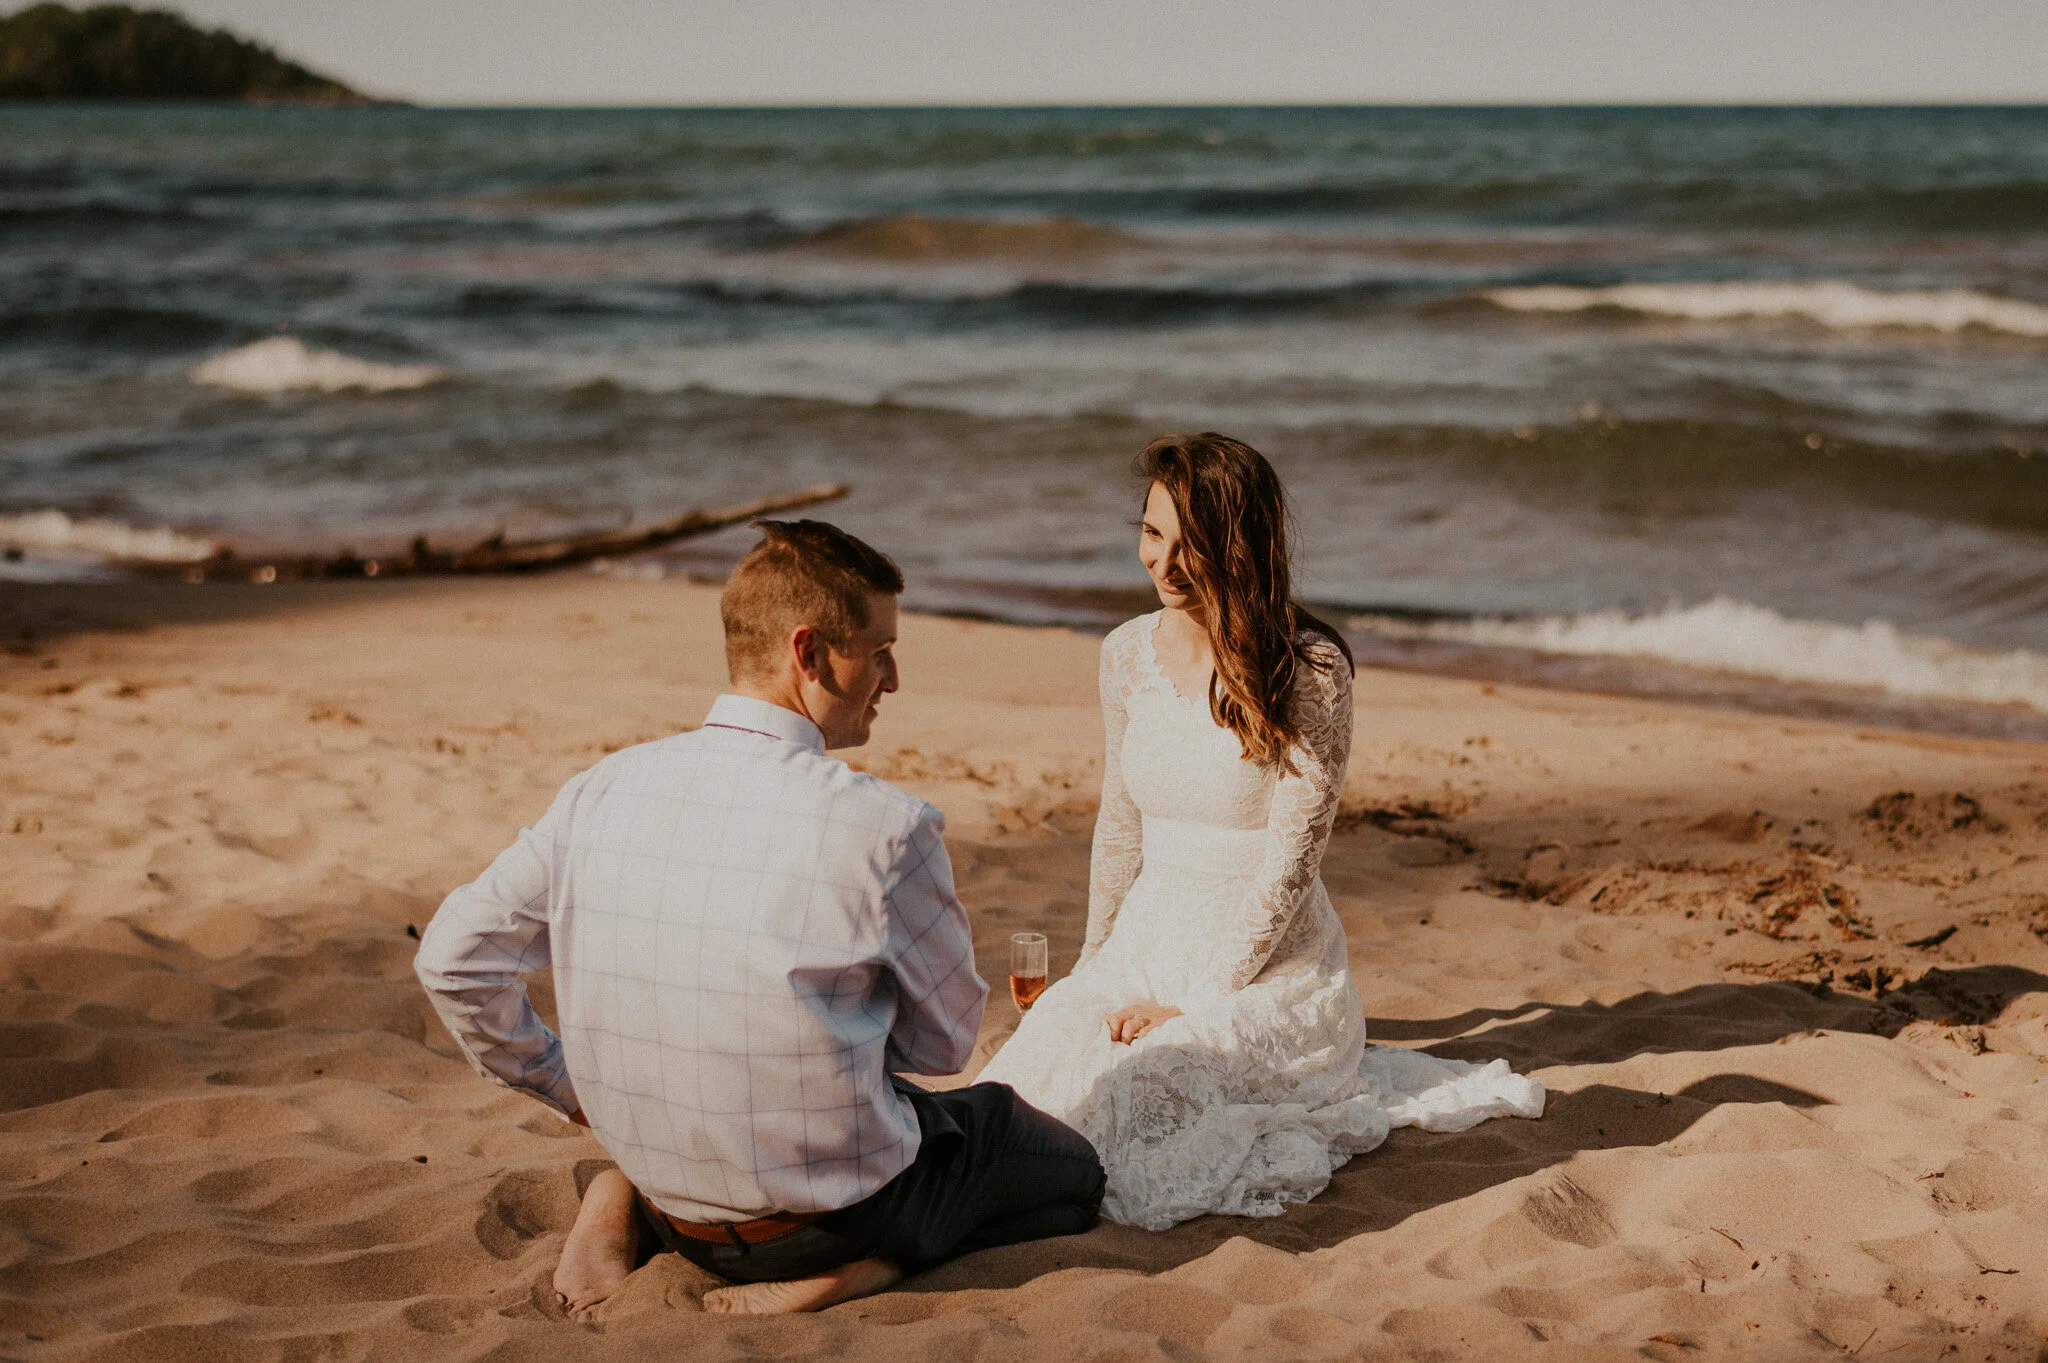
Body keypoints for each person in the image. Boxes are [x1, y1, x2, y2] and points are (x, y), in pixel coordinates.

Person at [415, 519, 1104, 1316]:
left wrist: (566, 1085)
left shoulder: (599, 790)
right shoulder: (887, 826)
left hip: (678, 1204)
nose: (893, 677)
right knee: (1063, 1173)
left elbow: (452, 958)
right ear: (808, 653)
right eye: (879, 650)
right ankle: (869, 1267)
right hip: (828, 1222)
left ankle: (620, 1193)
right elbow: (943, 1046)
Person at [977, 434, 1544, 1231]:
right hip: (1144, 940)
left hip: (1266, 967)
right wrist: (1090, 969)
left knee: (1150, 1093)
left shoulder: (1310, 670)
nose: (1164, 563)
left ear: (1238, 547)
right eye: (1152, 533)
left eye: (1192, 545)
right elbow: (1120, 823)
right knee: (1031, 1084)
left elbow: (1289, 866)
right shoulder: (1124, 654)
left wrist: (1195, 1003)